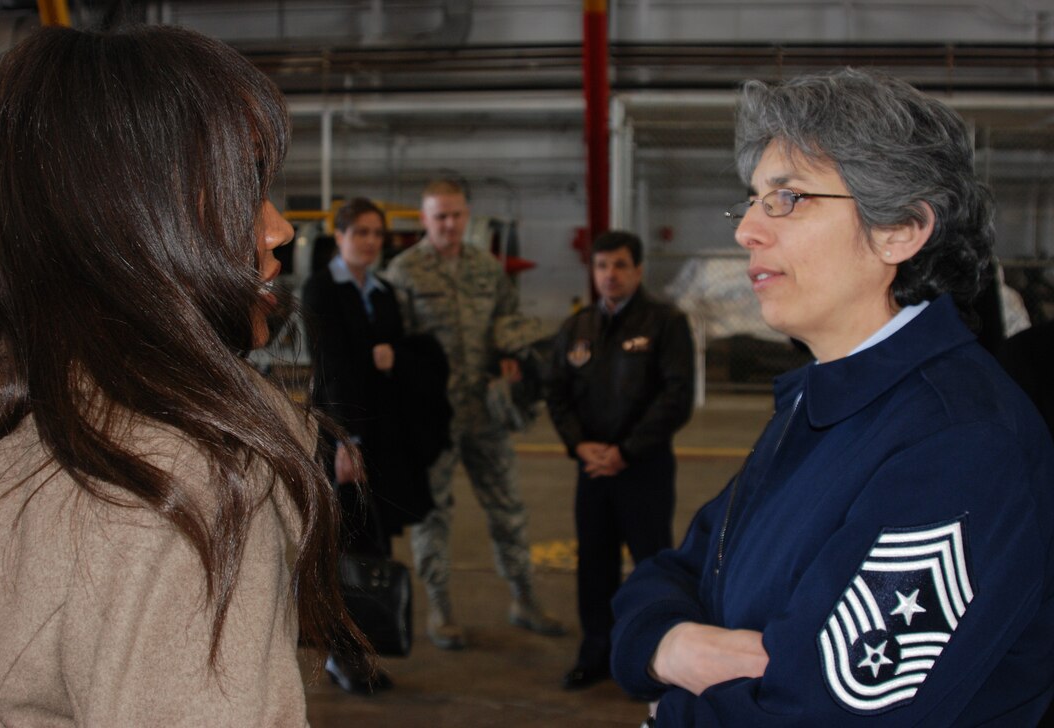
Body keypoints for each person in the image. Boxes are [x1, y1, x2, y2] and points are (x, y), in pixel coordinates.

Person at [610, 68, 1054, 726]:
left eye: (786, 199)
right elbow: (679, 570)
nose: (746, 232)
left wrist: (667, 707)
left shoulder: (959, 446)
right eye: (752, 201)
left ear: (899, 229)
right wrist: (666, 644)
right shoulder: (819, 401)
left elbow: (810, 714)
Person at [0, 25, 367, 725]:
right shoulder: (178, 478)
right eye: (245, 188)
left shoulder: (3, 413)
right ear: (130, 214)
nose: (278, 230)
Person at [384, 179, 566, 649]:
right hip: (433, 418)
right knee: (433, 516)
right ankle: (441, 611)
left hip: (486, 412)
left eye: (456, 215)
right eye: (439, 216)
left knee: (508, 509)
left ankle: (525, 600)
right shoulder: (403, 273)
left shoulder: (488, 269)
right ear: (423, 219)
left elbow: (507, 320)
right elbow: (395, 343)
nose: (449, 224)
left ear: (467, 217)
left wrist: (514, 357)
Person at [302, 197, 450, 693]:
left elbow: (396, 357)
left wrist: (397, 360)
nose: (369, 241)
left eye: (376, 234)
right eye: (359, 232)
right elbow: (334, 370)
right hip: (344, 438)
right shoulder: (322, 289)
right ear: (340, 237)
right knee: (343, 549)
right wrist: (348, 442)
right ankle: (341, 656)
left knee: (374, 547)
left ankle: (362, 649)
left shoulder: (383, 292)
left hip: (380, 441)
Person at [546, 231, 694, 690]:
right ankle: (597, 651)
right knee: (594, 563)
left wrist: (625, 451)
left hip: (643, 469)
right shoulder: (577, 327)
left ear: (638, 270)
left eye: (620, 265)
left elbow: (677, 396)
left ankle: (653, 657)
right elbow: (557, 393)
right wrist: (580, 445)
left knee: (650, 563)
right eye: (602, 266)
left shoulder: (665, 323)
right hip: (592, 472)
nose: (610, 275)